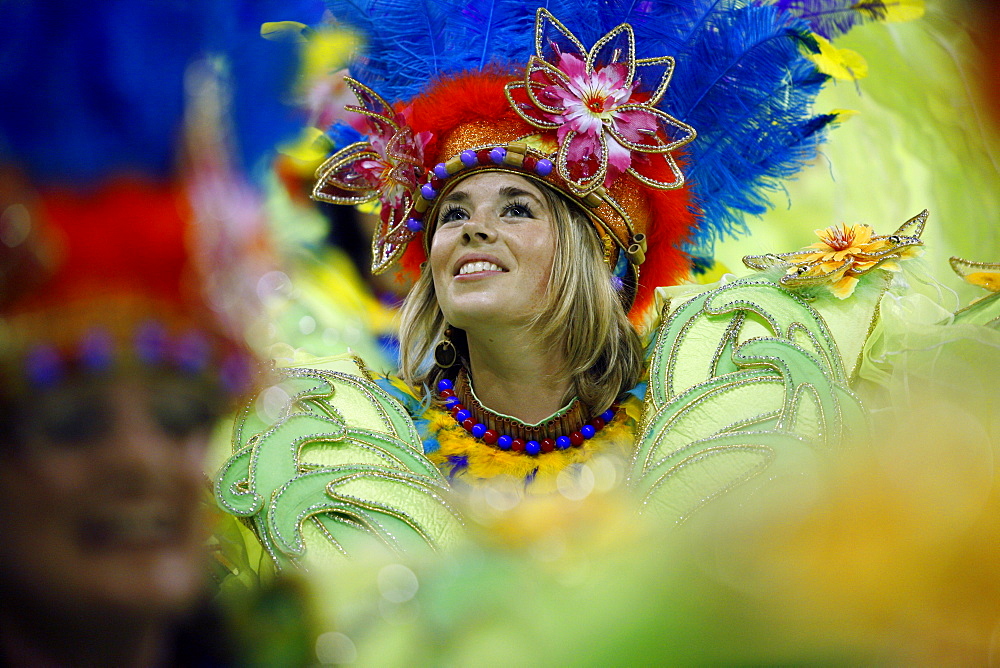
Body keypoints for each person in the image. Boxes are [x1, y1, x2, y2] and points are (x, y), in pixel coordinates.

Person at [214, 3, 934, 570]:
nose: (472, 229)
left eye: (517, 208)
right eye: (452, 213)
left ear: (606, 257)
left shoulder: (721, 388)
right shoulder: (356, 439)